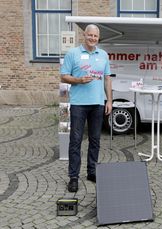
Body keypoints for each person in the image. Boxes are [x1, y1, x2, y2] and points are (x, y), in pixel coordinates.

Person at [60, 24, 112, 193]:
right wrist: (79, 80)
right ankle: (73, 177)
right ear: (84, 35)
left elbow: (107, 79)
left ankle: (92, 171)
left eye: (95, 36)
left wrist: (109, 101)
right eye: (90, 35)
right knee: (75, 141)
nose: (92, 38)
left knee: (95, 140)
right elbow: (64, 76)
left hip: (97, 103)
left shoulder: (103, 54)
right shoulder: (73, 53)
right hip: (78, 104)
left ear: (98, 37)